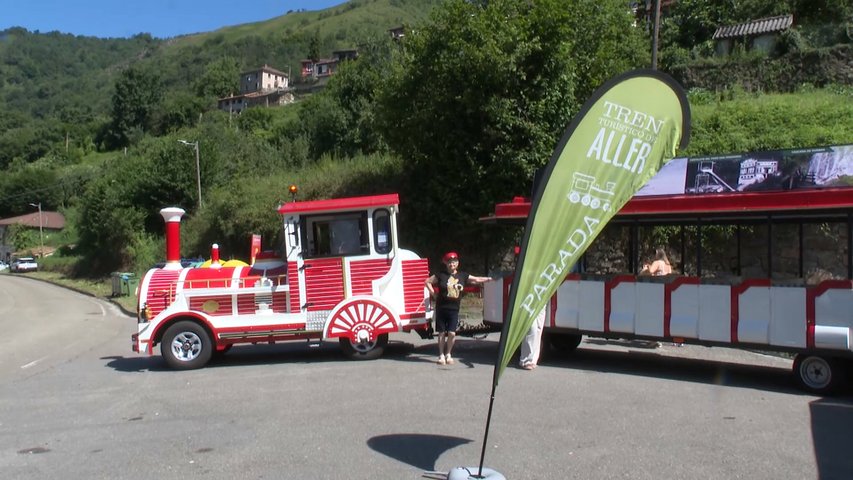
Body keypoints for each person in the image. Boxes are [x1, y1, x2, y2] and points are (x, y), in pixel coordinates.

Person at [425, 251, 492, 365]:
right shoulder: (441, 275)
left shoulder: (463, 275)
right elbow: (427, 281)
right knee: (441, 333)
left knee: (452, 333)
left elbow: (476, 279)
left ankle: (448, 354)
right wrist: (433, 293)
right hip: (441, 308)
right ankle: (441, 355)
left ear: (457, 263)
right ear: (446, 264)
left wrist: (490, 279)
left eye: (454, 262)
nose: (452, 264)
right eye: (449, 262)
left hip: (454, 309)